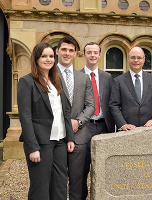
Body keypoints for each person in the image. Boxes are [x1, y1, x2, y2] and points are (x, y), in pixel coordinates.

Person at [18, 42, 75, 200]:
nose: (48, 59)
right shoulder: (26, 82)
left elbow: (65, 111)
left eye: (51, 56)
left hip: (60, 141)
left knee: (60, 184)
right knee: (40, 188)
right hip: (40, 142)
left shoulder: (57, 81)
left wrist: (70, 137)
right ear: (36, 59)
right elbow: (25, 116)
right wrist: (32, 147)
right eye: (44, 56)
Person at [56, 36, 95, 200]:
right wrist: (65, 123)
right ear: (57, 51)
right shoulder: (48, 74)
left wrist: (78, 122)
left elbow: (91, 105)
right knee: (56, 182)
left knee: (78, 183)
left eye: (71, 50)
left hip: (79, 136)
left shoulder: (83, 78)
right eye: (64, 49)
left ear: (76, 53)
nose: (67, 53)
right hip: (55, 137)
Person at [80, 42, 115, 199]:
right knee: (81, 168)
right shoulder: (77, 76)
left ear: (100, 55)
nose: (92, 55)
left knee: (103, 167)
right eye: (89, 52)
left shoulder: (108, 77)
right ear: (84, 54)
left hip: (104, 127)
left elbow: (113, 103)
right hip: (84, 128)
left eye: (95, 52)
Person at [110, 46, 152, 131]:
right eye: (133, 57)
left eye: (139, 58)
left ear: (144, 59)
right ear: (128, 59)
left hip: (150, 129)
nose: (136, 60)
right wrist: (123, 124)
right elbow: (114, 105)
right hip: (127, 130)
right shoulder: (118, 81)